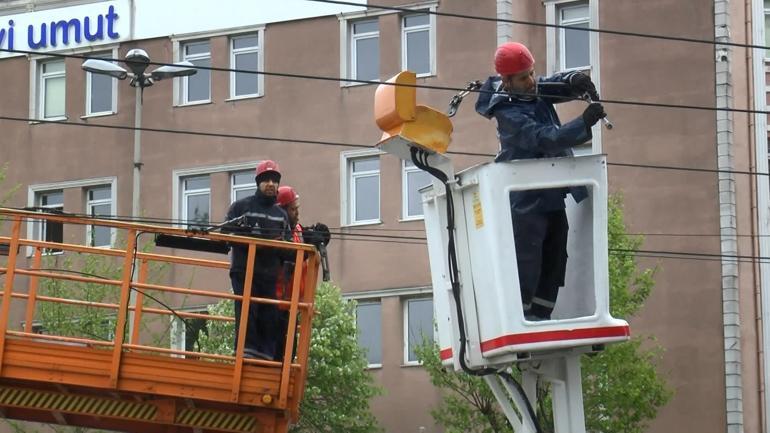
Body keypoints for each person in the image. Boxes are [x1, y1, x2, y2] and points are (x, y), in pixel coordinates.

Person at [475, 42, 607, 321]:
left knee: (555, 257)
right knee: (528, 261)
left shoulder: (529, 90)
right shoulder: (507, 112)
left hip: (549, 192)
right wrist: (583, 123)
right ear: (507, 81)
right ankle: (524, 319)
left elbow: (551, 84)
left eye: (532, 72)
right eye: (524, 77)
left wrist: (574, 80)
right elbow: (543, 137)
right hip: (526, 200)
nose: (532, 80)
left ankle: (542, 316)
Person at [224, 159, 291, 360]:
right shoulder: (240, 208)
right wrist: (247, 239)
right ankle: (245, 354)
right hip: (244, 272)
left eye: (274, 180)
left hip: (268, 275)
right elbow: (226, 236)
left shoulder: (281, 215)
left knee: (268, 315)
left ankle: (265, 356)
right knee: (247, 310)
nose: (271, 183)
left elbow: (289, 248)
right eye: (266, 179)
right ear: (257, 182)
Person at [274, 185, 331, 361]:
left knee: (289, 357)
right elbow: (287, 254)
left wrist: (319, 234)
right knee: (278, 356)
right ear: (282, 212)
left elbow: (305, 237)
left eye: (297, 209)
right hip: (275, 305)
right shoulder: (275, 234)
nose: (297, 213)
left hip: (290, 306)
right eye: (293, 209)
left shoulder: (296, 229)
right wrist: (307, 250)